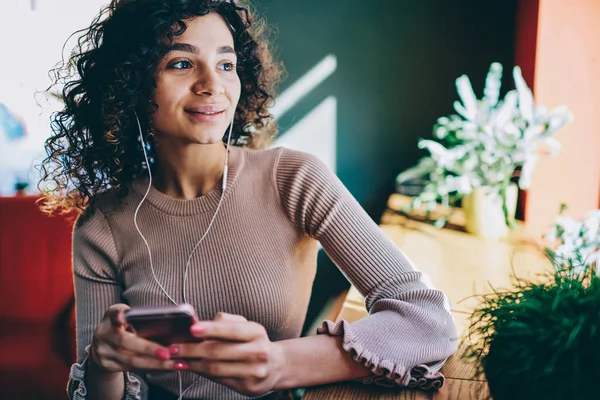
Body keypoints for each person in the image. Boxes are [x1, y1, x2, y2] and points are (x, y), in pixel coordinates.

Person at [38, 1, 458, 399]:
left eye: (226, 64)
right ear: (130, 84)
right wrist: (104, 364)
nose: (212, 85)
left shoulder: (293, 179)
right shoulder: (102, 225)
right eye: (181, 64)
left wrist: (278, 364)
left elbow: (429, 323)